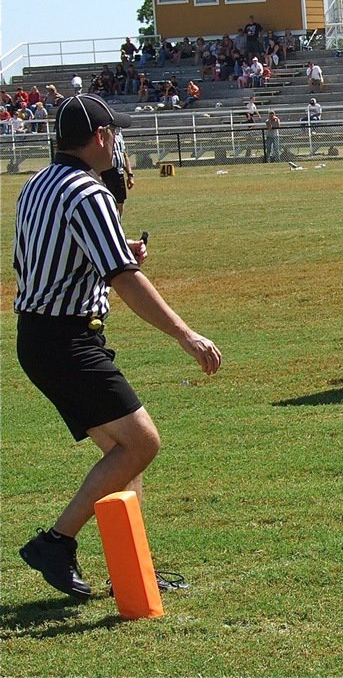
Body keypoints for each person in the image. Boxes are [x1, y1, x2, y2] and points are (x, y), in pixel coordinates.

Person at [14, 94, 221, 600]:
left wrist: (116, 251)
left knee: (124, 453)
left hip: (41, 335)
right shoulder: (89, 193)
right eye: (115, 134)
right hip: (66, 340)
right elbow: (126, 282)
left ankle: (134, 571)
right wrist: (186, 334)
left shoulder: (36, 184)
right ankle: (56, 542)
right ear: (103, 137)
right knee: (142, 443)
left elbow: (50, 256)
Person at [99, 128, 135, 216]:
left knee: (120, 202)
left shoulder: (119, 134)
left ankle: (118, 225)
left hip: (119, 172)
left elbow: (124, 155)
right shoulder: (104, 134)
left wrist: (130, 175)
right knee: (108, 202)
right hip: (107, 172)